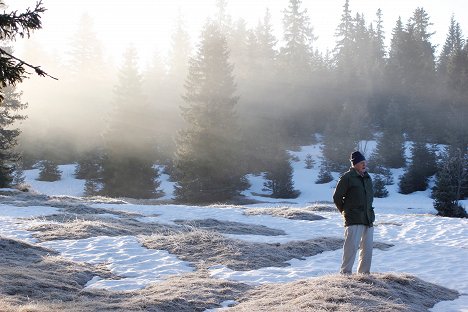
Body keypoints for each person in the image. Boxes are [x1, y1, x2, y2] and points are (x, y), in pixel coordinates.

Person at [333, 151, 375, 274]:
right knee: (351, 249)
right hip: (353, 219)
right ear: (354, 164)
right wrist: (346, 212)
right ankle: (345, 274)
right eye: (361, 162)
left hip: (368, 219)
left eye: (365, 162)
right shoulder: (347, 177)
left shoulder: (367, 177)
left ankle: (364, 274)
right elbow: (337, 198)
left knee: (367, 250)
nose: (364, 165)